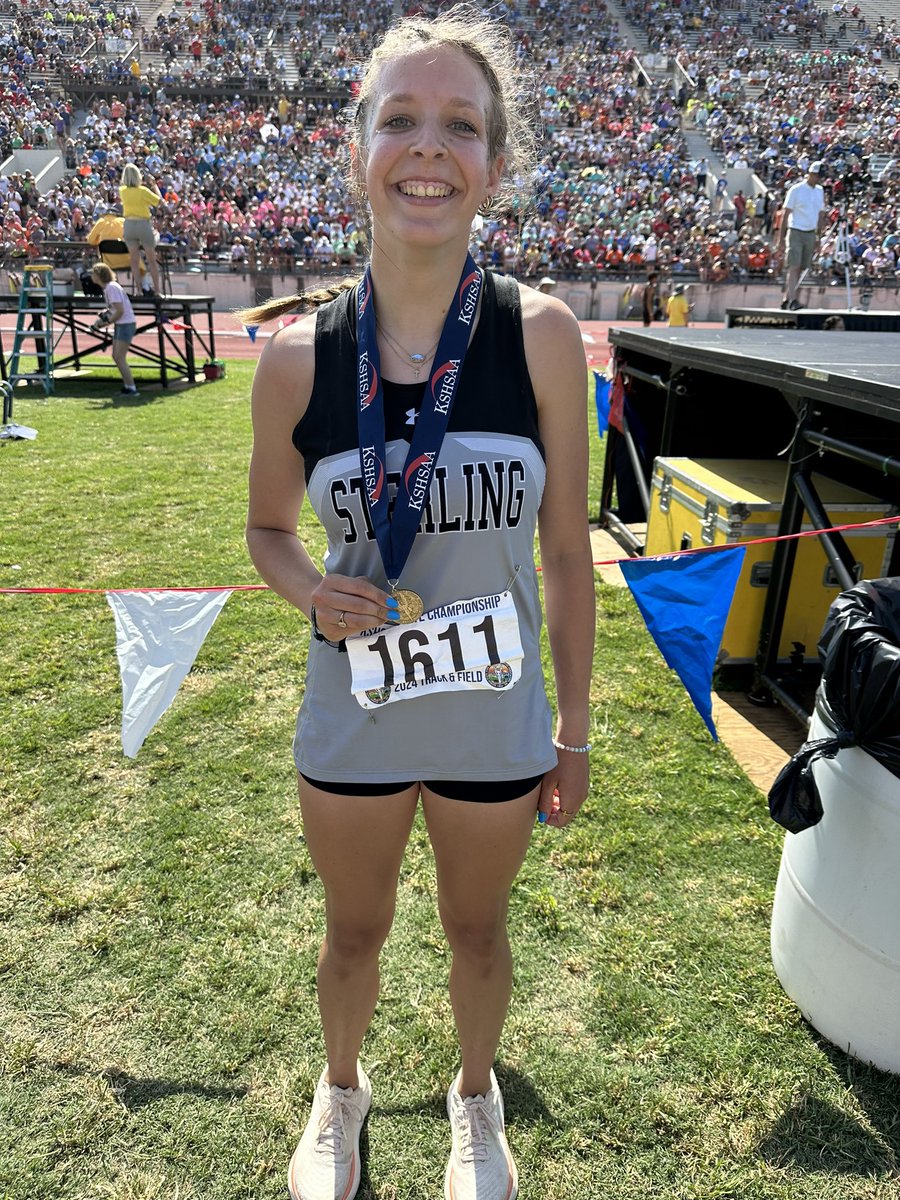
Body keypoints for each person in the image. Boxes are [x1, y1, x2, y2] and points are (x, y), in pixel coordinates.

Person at [242, 10, 595, 1200]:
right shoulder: (297, 359)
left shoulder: (540, 338)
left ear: (494, 165)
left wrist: (577, 730)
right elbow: (267, 531)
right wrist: (310, 589)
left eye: (460, 125)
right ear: (357, 153)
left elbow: (563, 555)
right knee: (353, 934)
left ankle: (475, 1097)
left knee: (477, 934)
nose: (428, 147)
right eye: (400, 119)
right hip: (358, 713)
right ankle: (340, 1095)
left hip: (495, 719)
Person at [778, 162, 826, 310]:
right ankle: (793, 299)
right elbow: (785, 214)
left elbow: (820, 214)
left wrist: (818, 236)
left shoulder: (819, 190)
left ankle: (787, 298)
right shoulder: (796, 190)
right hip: (796, 230)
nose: (819, 179)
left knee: (802, 268)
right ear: (811, 174)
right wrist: (781, 238)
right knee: (794, 266)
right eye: (817, 175)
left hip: (810, 232)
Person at [89, 263, 138, 395]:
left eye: (93, 273)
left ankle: (131, 388)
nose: (91, 276)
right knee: (117, 356)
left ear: (99, 275)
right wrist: (105, 314)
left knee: (119, 357)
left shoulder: (111, 287)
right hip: (123, 324)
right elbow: (115, 309)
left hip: (125, 324)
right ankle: (128, 386)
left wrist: (103, 323)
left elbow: (120, 311)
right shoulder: (109, 288)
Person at [119, 163, 163, 295]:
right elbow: (159, 202)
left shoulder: (122, 191)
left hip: (129, 225)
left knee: (134, 261)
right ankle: (157, 290)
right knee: (151, 260)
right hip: (143, 224)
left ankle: (138, 290)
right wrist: (154, 185)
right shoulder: (143, 191)